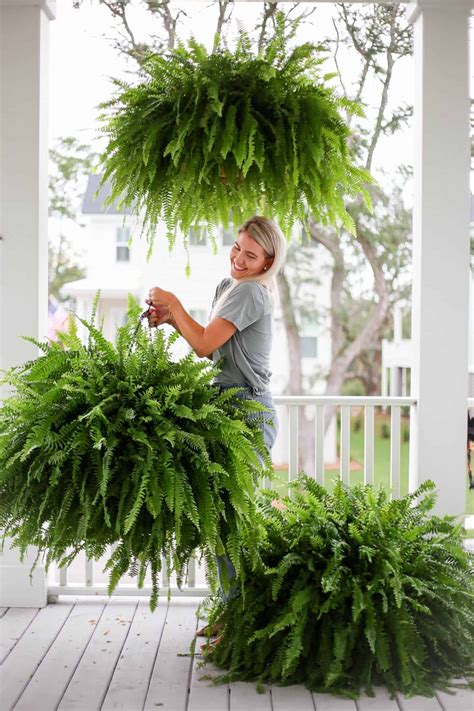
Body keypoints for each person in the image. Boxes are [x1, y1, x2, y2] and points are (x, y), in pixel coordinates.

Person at [146, 215, 287, 647]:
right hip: (226, 409)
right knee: (224, 520)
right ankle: (233, 612)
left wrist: (174, 302)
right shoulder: (229, 287)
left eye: (251, 255)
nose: (239, 259)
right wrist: (170, 317)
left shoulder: (250, 291)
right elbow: (212, 348)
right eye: (237, 247)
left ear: (267, 261)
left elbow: (204, 343)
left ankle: (247, 616)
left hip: (247, 413)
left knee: (234, 520)